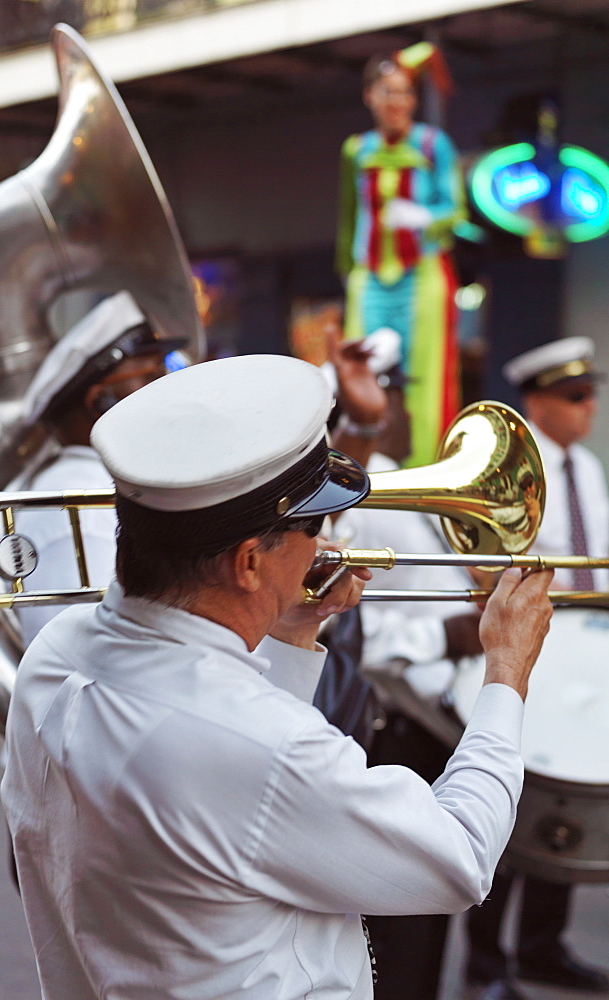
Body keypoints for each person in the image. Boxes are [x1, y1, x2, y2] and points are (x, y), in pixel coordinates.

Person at [1, 352, 554, 1000]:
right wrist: (506, 669)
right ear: (247, 563)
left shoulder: (57, 652)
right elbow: (457, 858)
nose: (322, 547)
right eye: (311, 527)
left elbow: (236, 806)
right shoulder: (257, 743)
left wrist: (290, 632)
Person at [320, 328, 484, 1000]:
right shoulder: (370, 491)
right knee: (399, 929)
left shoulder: (395, 480)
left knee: (420, 928)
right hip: (391, 722)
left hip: (432, 712)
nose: (406, 407)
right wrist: (448, 634)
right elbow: (338, 614)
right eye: (395, 393)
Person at [465, 335, 609, 1000]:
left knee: (565, 793)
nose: (588, 408)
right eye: (573, 397)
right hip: (530, 645)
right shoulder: (516, 475)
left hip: (584, 643)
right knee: (512, 799)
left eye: (590, 395)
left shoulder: (587, 470)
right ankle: (484, 961)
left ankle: (540, 947)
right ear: (536, 401)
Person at [8, 290, 188, 646]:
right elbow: (76, 659)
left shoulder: (105, 486)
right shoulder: (77, 509)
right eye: (152, 373)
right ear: (99, 402)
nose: (168, 387)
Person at [335, 42, 466, 467]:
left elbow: (457, 212)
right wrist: (349, 272)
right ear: (369, 96)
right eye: (388, 91)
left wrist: (423, 217)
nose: (398, 102)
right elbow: (348, 220)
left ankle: (424, 467)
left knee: (422, 380)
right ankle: (361, 465)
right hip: (370, 277)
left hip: (420, 277)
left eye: (406, 92)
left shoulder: (433, 144)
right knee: (362, 372)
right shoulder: (357, 150)